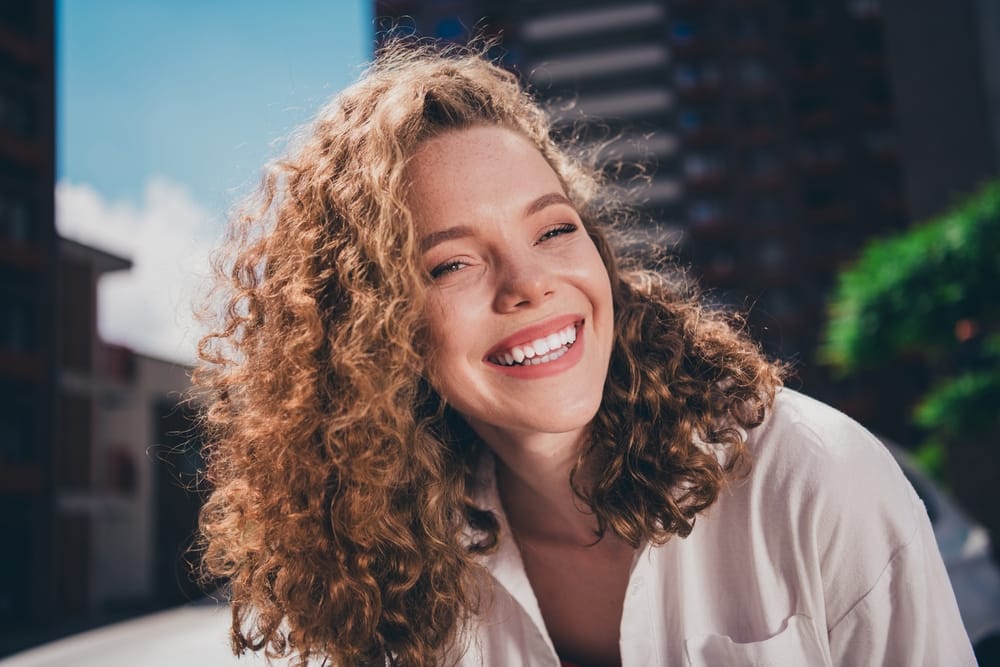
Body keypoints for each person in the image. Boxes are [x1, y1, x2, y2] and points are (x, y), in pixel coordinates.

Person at [195, 39, 976, 666]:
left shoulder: (814, 480)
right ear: (375, 331)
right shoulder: (394, 571)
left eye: (553, 229)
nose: (530, 283)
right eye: (452, 263)